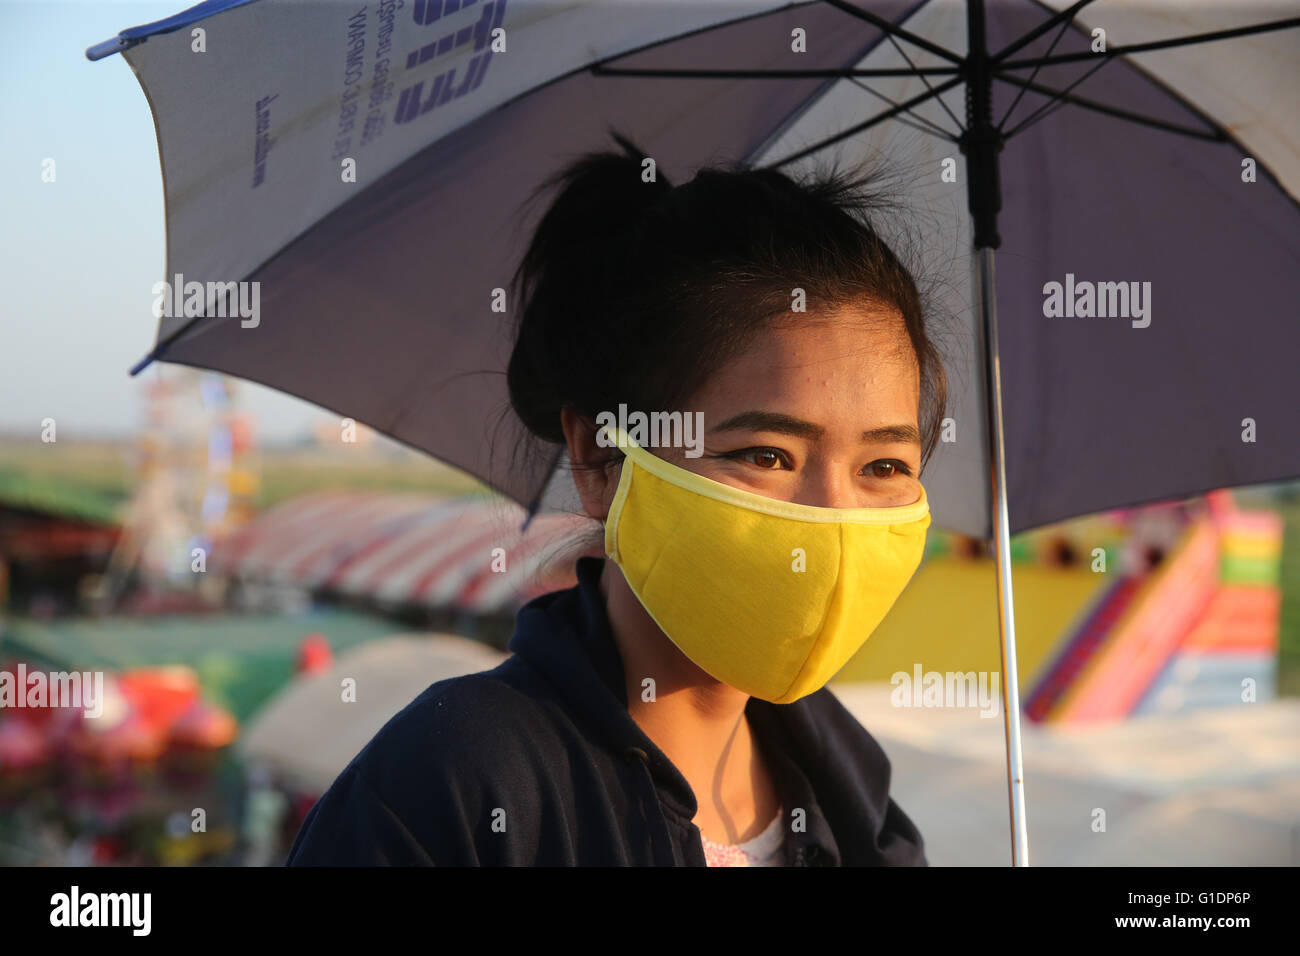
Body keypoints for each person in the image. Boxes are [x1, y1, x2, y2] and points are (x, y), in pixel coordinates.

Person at [286, 131, 947, 866]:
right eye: (767, 455)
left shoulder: (860, 805)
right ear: (600, 456)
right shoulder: (455, 785)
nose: (834, 516)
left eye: (885, 466)